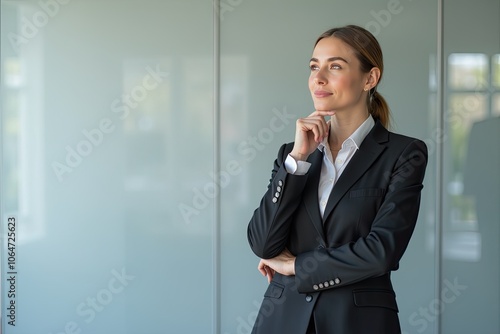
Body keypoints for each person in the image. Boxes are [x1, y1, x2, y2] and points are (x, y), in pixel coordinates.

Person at [247, 25, 428, 334]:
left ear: (370, 78)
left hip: (358, 322)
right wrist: (297, 162)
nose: (318, 77)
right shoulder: (292, 154)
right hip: (282, 320)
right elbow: (263, 242)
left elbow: (380, 251)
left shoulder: (404, 154)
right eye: (314, 66)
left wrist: (295, 267)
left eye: (335, 66)